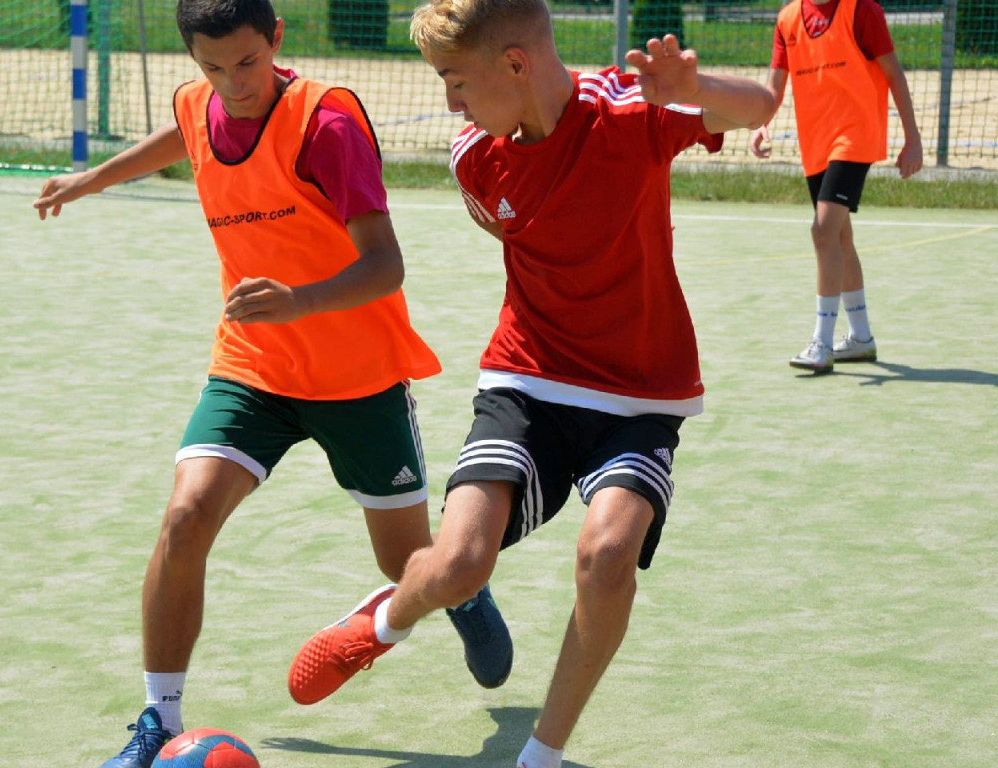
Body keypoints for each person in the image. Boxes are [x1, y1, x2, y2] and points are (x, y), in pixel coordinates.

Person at [285, 2, 775, 766]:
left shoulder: (627, 110)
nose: (449, 100)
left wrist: (696, 86)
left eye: (455, 80)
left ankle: (540, 754)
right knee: (456, 565)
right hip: (528, 380)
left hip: (639, 397)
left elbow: (762, 107)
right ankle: (385, 622)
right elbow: (503, 222)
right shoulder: (476, 155)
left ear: (514, 64)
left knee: (607, 556)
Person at [33, 2, 512, 766]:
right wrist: (94, 179)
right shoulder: (201, 101)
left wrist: (298, 301)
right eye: (213, 68)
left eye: (248, 63)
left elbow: (385, 264)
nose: (234, 85)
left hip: (357, 377)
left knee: (408, 565)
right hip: (253, 369)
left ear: (277, 38)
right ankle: (158, 717)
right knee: (186, 518)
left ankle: (465, 591)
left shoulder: (327, 123)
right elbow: (188, 134)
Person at [750, 0, 923, 373]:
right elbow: (775, 84)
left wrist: (913, 138)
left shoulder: (862, 11)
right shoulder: (788, 18)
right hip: (816, 143)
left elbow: (894, 73)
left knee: (823, 230)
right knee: (840, 238)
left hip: (855, 137)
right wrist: (763, 122)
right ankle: (861, 337)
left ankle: (821, 343)